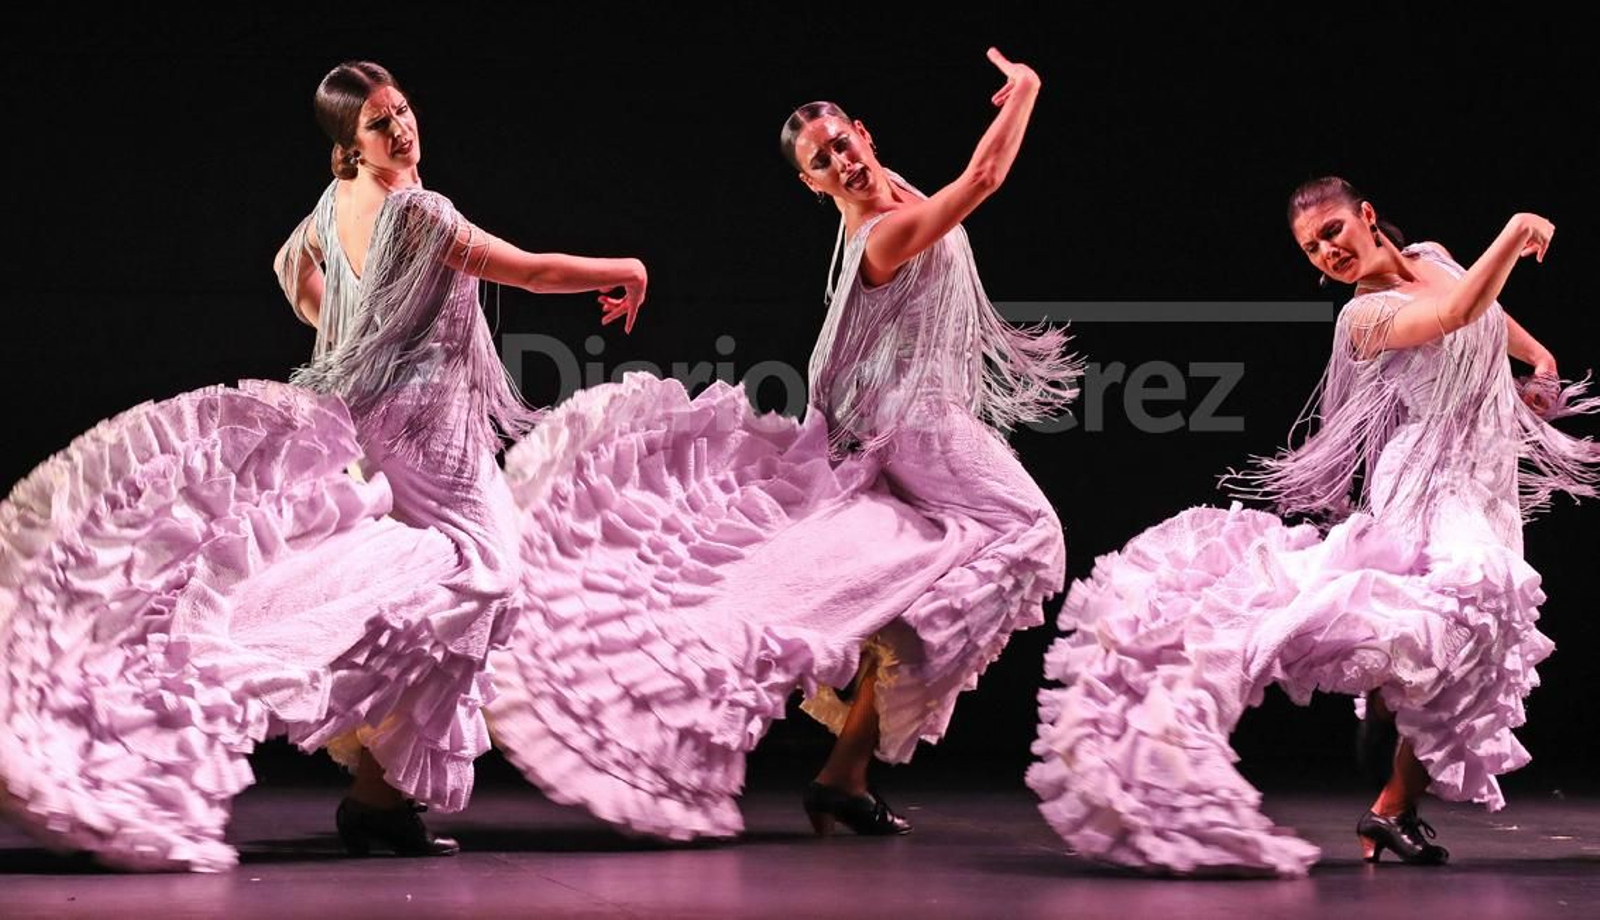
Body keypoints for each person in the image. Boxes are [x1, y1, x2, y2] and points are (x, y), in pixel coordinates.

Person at [0, 59, 647, 871]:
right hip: (429, 434)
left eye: (402, 109)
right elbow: (529, 271)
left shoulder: (337, 202)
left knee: (434, 592)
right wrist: (629, 270)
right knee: (481, 582)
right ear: (351, 143)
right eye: (379, 123)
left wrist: (353, 336)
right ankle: (358, 775)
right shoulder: (420, 212)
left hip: (384, 425)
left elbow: (290, 267)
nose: (400, 128)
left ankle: (380, 800)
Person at [483, 47, 1077, 840]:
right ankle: (709, 684)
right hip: (920, 427)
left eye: (842, 143)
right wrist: (1025, 90)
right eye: (821, 162)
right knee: (1030, 533)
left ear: (864, 133)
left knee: (926, 577)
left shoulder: (897, 195)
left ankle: (845, 774)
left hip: (907, 417)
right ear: (812, 184)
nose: (841, 161)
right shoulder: (883, 234)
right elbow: (984, 180)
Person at [1028, 176, 1600, 877]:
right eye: (1311, 248)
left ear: (1366, 216)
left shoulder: (1434, 256)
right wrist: (1513, 232)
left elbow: (1488, 313)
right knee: (1478, 598)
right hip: (1427, 479)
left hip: (1488, 478)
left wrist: (1538, 360)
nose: (1327, 251)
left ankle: (1393, 798)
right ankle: (1375, 713)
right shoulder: (1362, 317)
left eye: (1332, 231)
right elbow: (1456, 313)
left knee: (1480, 640)